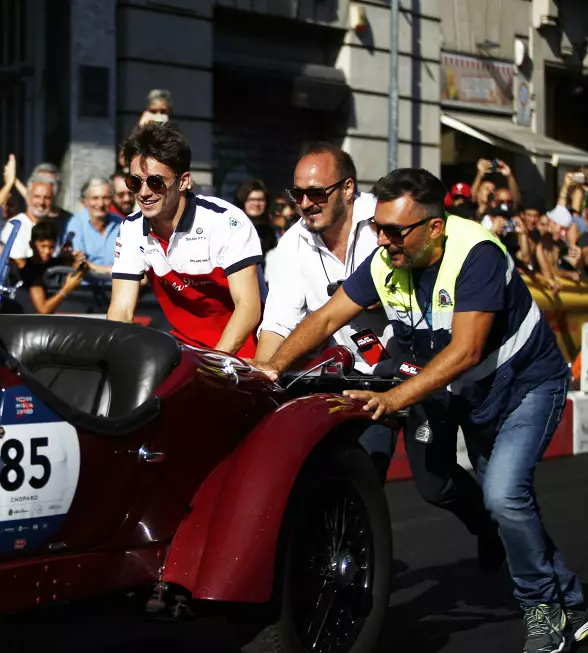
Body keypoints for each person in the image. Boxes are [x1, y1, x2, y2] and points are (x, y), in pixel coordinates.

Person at [254, 168, 587, 653]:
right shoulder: (387, 258)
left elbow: (466, 351)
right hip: (468, 392)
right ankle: (573, 602)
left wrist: (393, 399)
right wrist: (273, 368)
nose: (383, 241)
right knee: (503, 504)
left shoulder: (476, 254)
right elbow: (325, 317)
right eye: (378, 229)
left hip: (524, 385)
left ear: (435, 227)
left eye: (395, 231)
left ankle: (541, 611)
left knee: (503, 496)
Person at [257, 143, 398, 480]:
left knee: (438, 483)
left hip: (408, 371)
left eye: (316, 193)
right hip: (347, 377)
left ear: (347, 189)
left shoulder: (386, 221)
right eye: (298, 194)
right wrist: (263, 376)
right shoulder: (293, 243)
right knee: (350, 478)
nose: (305, 204)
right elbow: (279, 321)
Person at [107, 122, 263, 358]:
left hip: (243, 346)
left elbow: (249, 307)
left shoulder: (225, 221)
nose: (144, 192)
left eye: (156, 182)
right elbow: (121, 309)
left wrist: (213, 365)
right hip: (185, 347)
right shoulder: (130, 228)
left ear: (183, 181)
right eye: (135, 182)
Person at [17, 221, 86, 314]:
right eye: (43, 246)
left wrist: (77, 260)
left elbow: (77, 269)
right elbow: (43, 309)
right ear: (31, 245)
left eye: (51, 247)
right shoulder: (29, 269)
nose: (47, 251)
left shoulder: (57, 262)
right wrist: (66, 288)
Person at [63, 177, 122, 275]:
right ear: (84, 201)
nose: (101, 203)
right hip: (85, 288)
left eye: (106, 198)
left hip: (118, 285)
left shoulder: (120, 222)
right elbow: (80, 263)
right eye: (95, 198)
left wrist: (96, 267)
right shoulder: (76, 224)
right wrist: (110, 270)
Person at [0, 174, 57, 267]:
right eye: (37, 196)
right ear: (28, 198)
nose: (41, 202)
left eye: (47, 198)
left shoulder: (53, 226)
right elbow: (18, 265)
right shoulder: (15, 226)